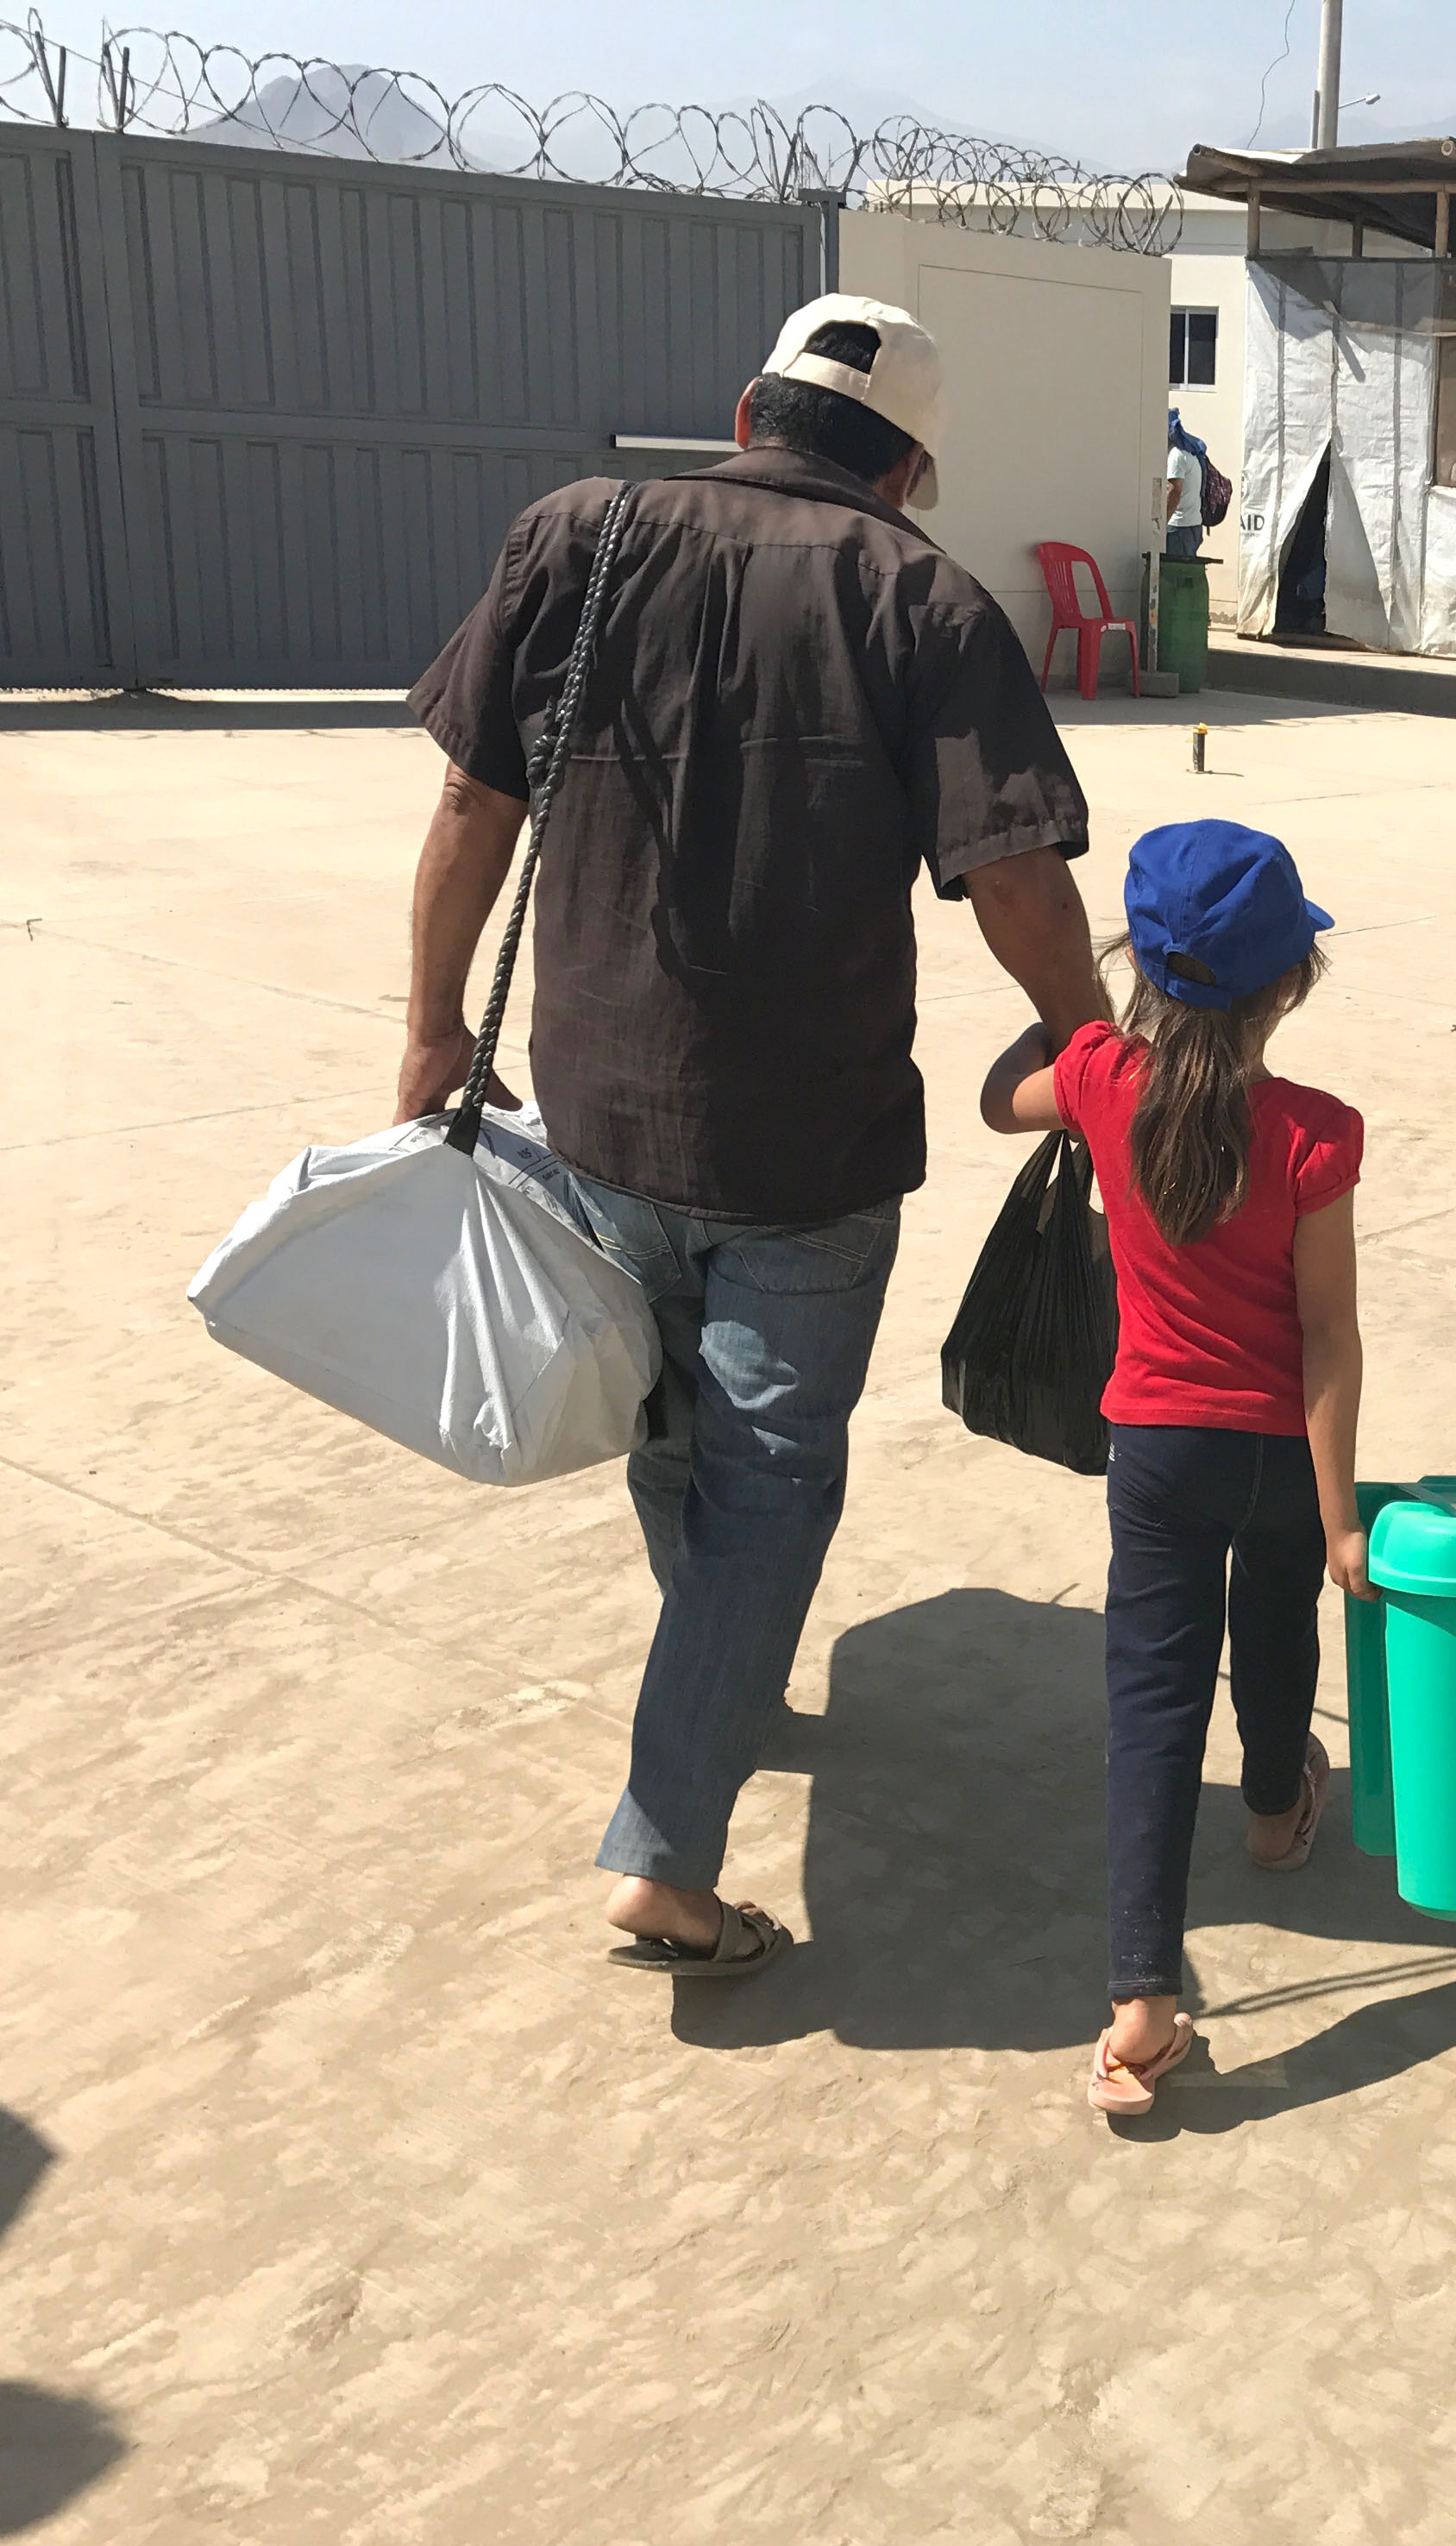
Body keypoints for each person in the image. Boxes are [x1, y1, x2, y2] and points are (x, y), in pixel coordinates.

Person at [399, 293, 1114, 1984]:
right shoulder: (919, 592)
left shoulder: (580, 531)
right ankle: (667, 1852)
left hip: (592, 1107)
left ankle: (710, 1682)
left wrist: (433, 1026)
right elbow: (1014, 870)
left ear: (750, 403)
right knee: (770, 1478)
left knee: (671, 1434)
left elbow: (466, 804)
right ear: (916, 467)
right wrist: (1088, 1038)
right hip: (810, 1141)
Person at [979, 820, 1368, 2116]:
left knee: (1151, 1699)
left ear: (1138, 960)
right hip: (1270, 1448)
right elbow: (1326, 1335)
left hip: (1153, 1448)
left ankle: (1141, 2001)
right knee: (1276, 1622)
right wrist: (1337, 1519)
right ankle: (1271, 1806)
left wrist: (1066, 1028)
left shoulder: (1098, 1077)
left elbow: (996, 1101)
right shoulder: (1315, 1136)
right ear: (1290, 982)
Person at [1159, 419, 1204, 562]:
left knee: (1175, 576)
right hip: (1192, 525)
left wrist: (1161, 523)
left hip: (1179, 528)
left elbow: (1174, 493)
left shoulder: (1176, 456)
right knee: (1186, 575)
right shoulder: (1188, 452)